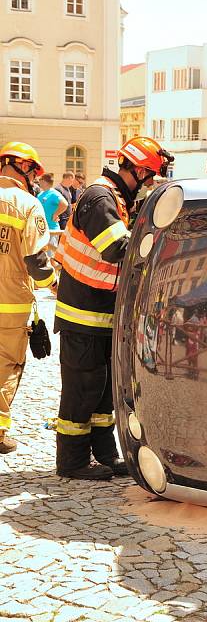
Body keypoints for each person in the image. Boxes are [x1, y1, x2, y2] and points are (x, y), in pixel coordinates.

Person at [54, 136, 173, 480]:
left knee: (104, 391)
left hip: (103, 314)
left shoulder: (118, 199)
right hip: (83, 313)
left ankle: (104, 454)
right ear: (135, 169)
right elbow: (117, 248)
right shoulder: (100, 196)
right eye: (149, 176)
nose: (150, 184)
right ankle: (72, 461)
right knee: (81, 389)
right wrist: (160, 235)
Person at [0, 142, 57, 454]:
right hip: (10, 304)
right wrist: (54, 286)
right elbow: (36, 262)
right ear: (25, 169)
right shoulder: (27, 204)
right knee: (7, 366)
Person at [37, 173, 68, 260]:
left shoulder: (53, 193)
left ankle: (54, 272)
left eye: (40, 180)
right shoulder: (40, 194)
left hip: (51, 229)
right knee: (41, 256)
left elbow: (64, 204)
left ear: (44, 181)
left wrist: (56, 214)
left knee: (51, 256)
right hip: (41, 229)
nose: (39, 182)